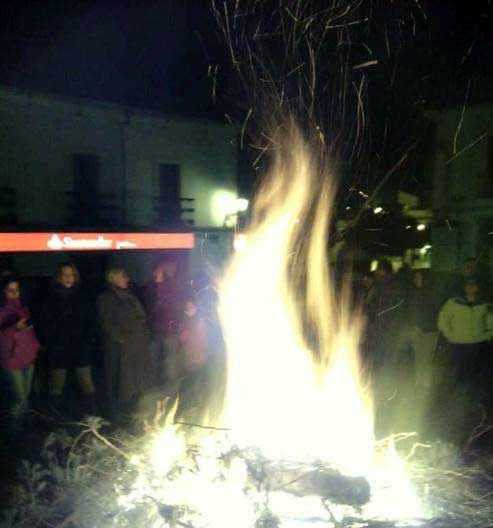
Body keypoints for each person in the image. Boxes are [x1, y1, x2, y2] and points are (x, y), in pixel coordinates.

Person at [436, 277, 492, 445]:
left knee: (475, 377)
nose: (471, 288)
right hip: (458, 345)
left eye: (474, 285)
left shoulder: (484, 304)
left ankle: (473, 405)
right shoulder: (453, 302)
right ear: (464, 287)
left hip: (478, 345)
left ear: (477, 288)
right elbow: (443, 320)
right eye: (468, 285)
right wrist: (450, 336)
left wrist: (487, 335)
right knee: (459, 376)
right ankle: (457, 405)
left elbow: (490, 322)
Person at [38, 263, 96, 415]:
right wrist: (50, 344)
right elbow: (44, 324)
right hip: (59, 349)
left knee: (87, 384)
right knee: (57, 385)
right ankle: (55, 418)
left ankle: (90, 419)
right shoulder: (50, 299)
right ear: (59, 277)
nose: (68, 278)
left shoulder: (82, 297)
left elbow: (90, 321)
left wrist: (87, 340)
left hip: (80, 347)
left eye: (71, 274)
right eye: (65, 274)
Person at [98, 266, 153, 420]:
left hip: (137, 344)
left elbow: (140, 316)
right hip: (120, 348)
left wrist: (144, 332)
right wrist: (121, 338)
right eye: (123, 276)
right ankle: (117, 414)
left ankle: (134, 410)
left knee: (136, 378)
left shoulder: (129, 295)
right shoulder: (107, 297)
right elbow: (106, 322)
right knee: (119, 379)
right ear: (113, 278)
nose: (127, 279)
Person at [0, 275, 40, 435]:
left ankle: (23, 427)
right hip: (11, 359)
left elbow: (28, 328)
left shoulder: (24, 306)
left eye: (17, 290)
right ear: (3, 291)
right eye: (11, 290)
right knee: (19, 397)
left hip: (28, 357)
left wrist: (34, 343)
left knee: (26, 396)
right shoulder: (2, 310)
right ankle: (15, 431)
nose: (15, 293)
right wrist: (14, 328)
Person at [145, 257, 186, 386]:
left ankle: (171, 390)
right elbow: (145, 308)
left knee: (170, 363)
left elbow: (178, 308)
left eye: (159, 270)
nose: (156, 272)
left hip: (169, 331)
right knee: (153, 361)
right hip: (154, 332)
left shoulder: (172, 287)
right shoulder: (149, 288)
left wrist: (180, 328)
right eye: (156, 270)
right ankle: (154, 388)